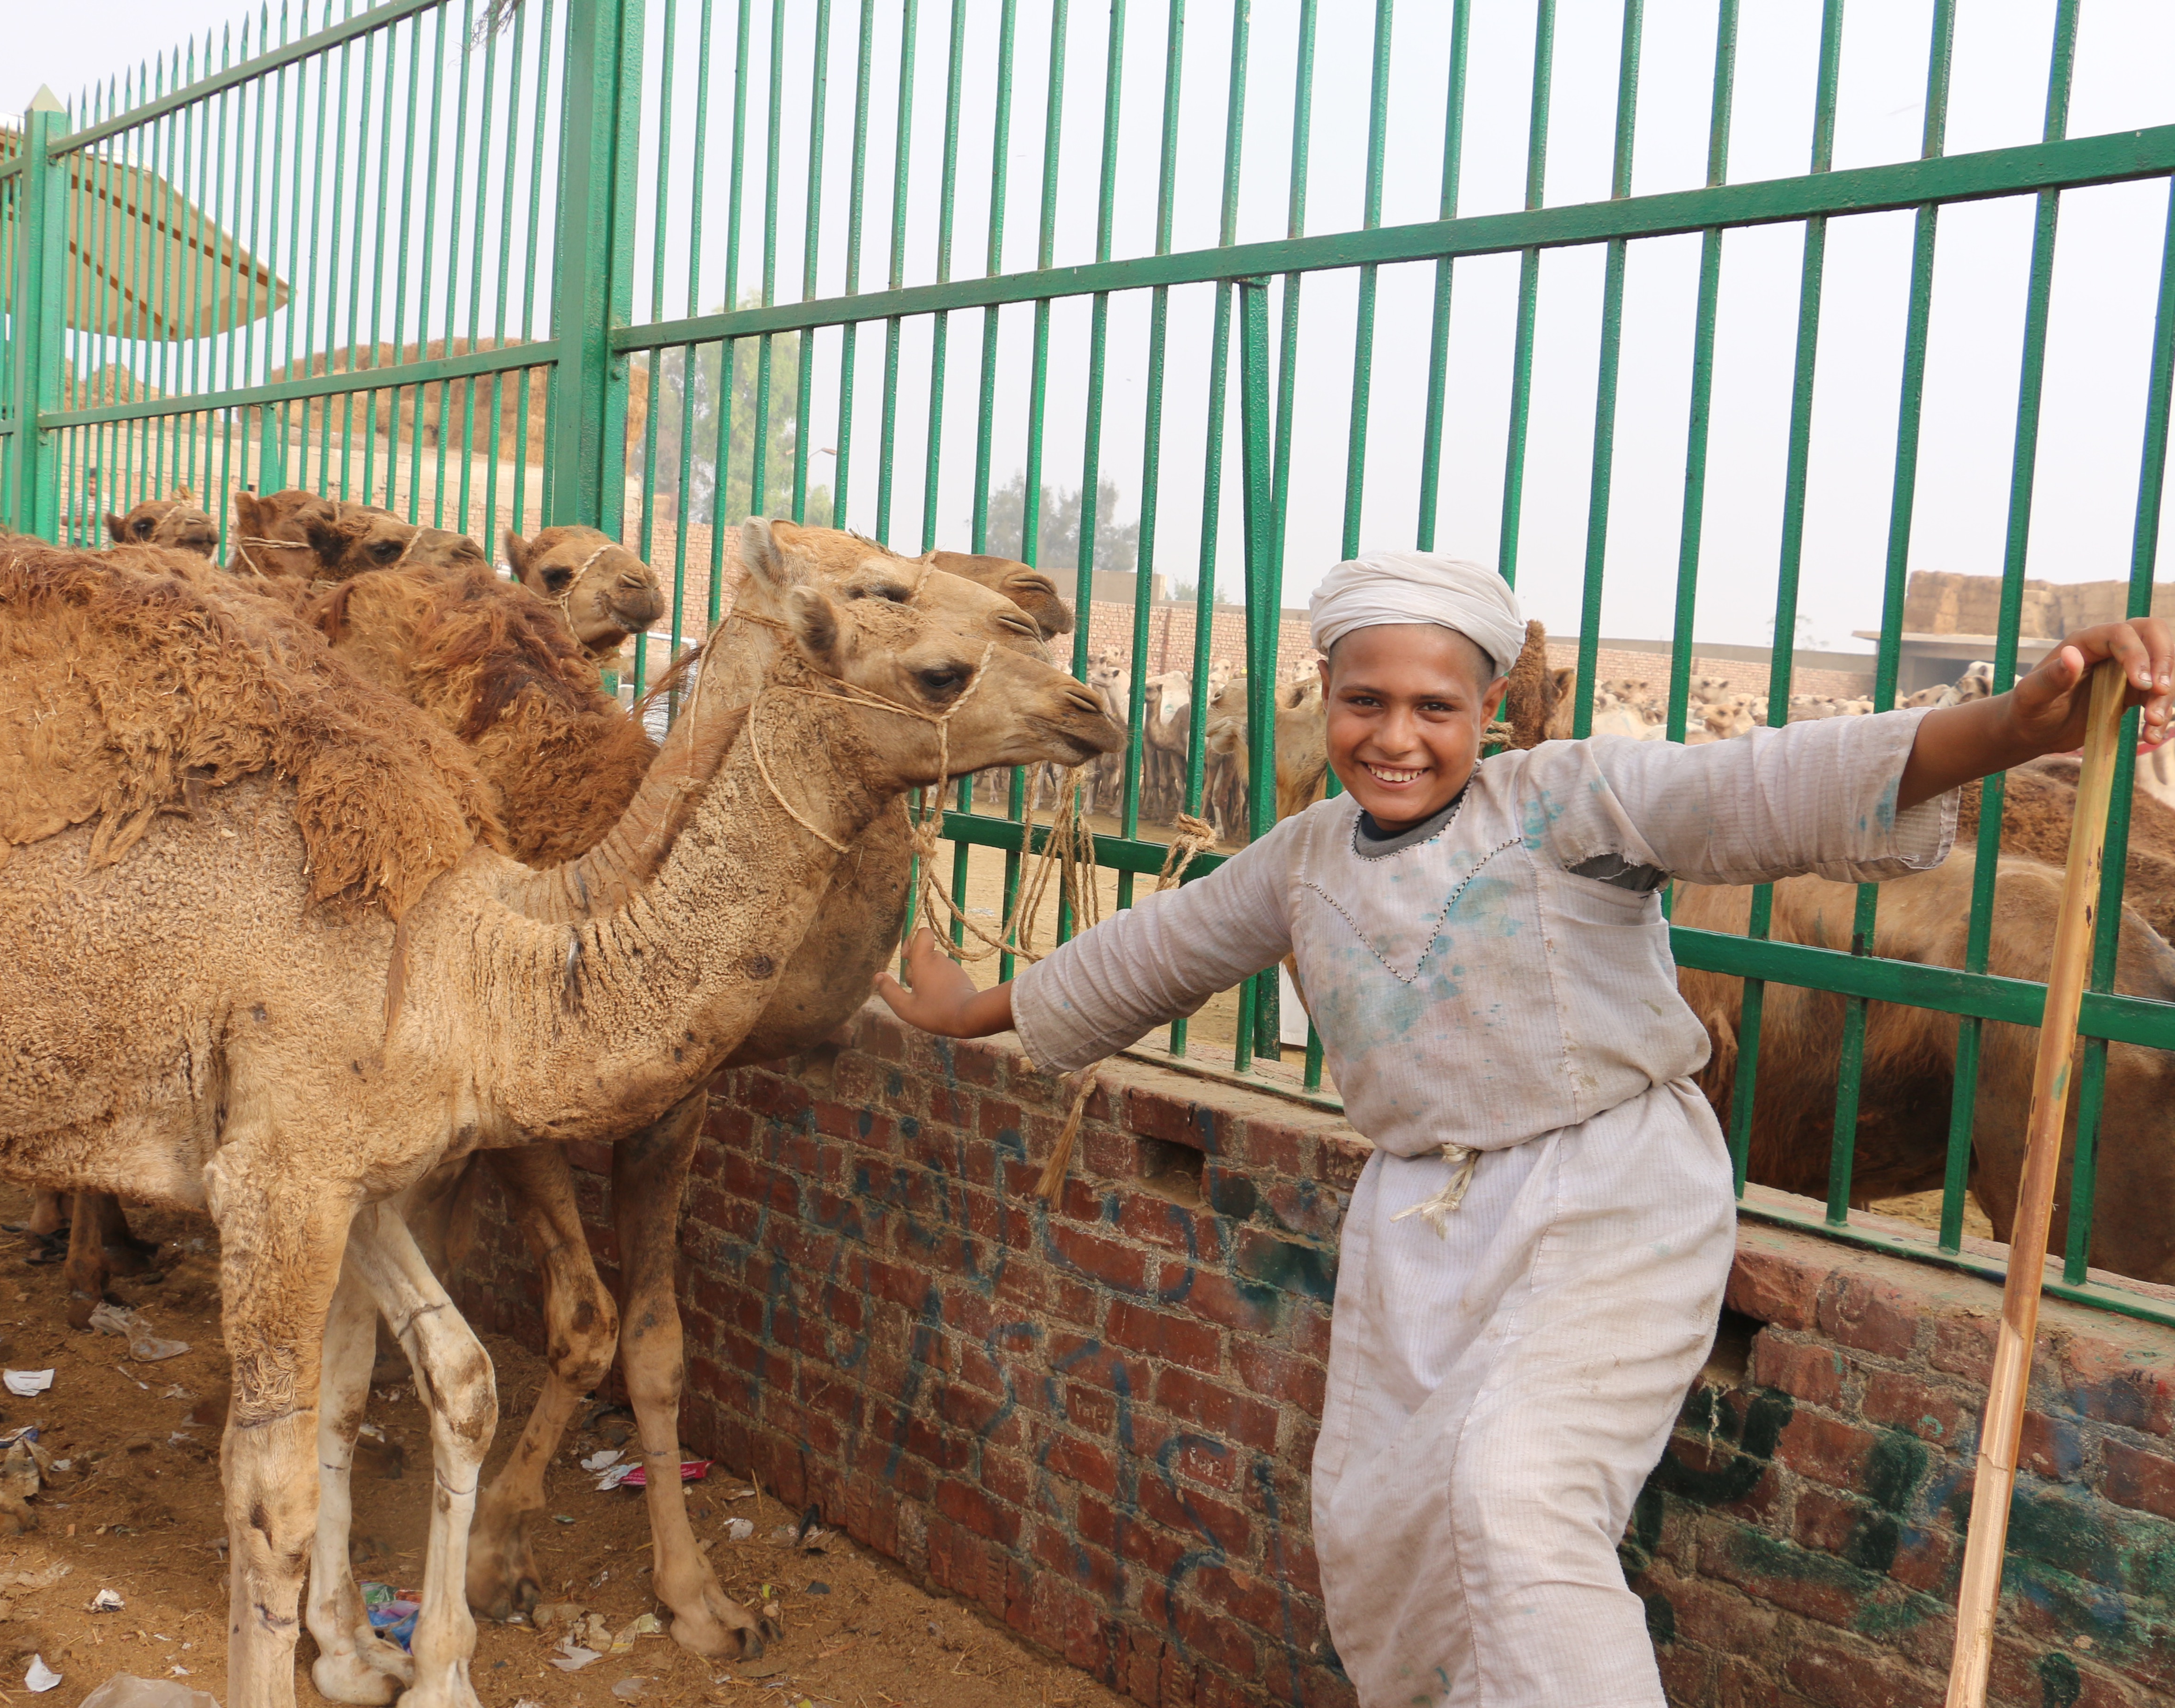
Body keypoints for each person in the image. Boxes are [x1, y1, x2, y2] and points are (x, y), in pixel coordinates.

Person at [875, 550, 2174, 1708]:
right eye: (1364, 702)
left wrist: (2011, 725)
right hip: (1419, 1231)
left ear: (1489, 707)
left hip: (1610, 1199)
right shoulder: (1302, 859)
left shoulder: (1571, 801)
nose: (1395, 737)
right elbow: (1154, 953)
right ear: (1324, 696)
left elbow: (1764, 787)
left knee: (1511, 1497)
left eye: (1433, 707)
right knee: (1387, 1529)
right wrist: (969, 1009)